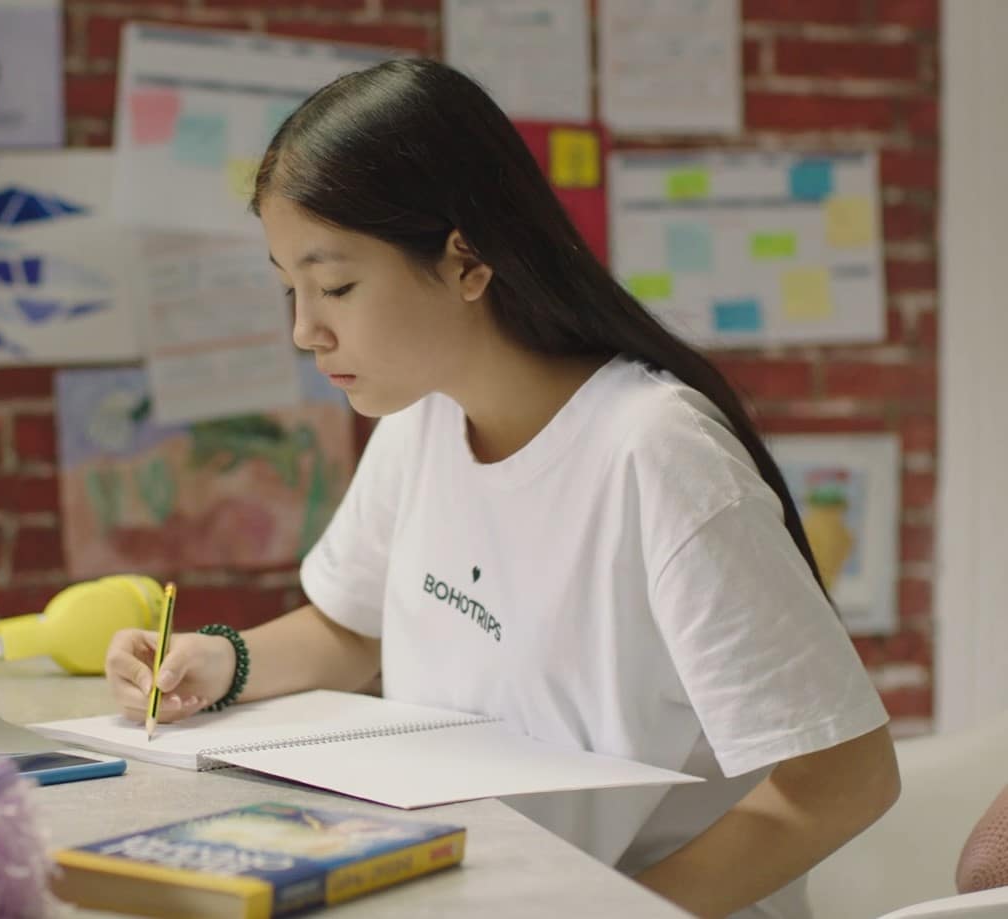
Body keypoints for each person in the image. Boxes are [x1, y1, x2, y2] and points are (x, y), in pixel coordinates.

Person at [104, 57, 899, 919]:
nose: (305, 329)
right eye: (289, 287)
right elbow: (350, 625)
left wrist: (607, 908)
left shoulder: (658, 453)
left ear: (467, 261)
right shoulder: (420, 419)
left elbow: (846, 779)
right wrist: (221, 661)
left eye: (335, 285)